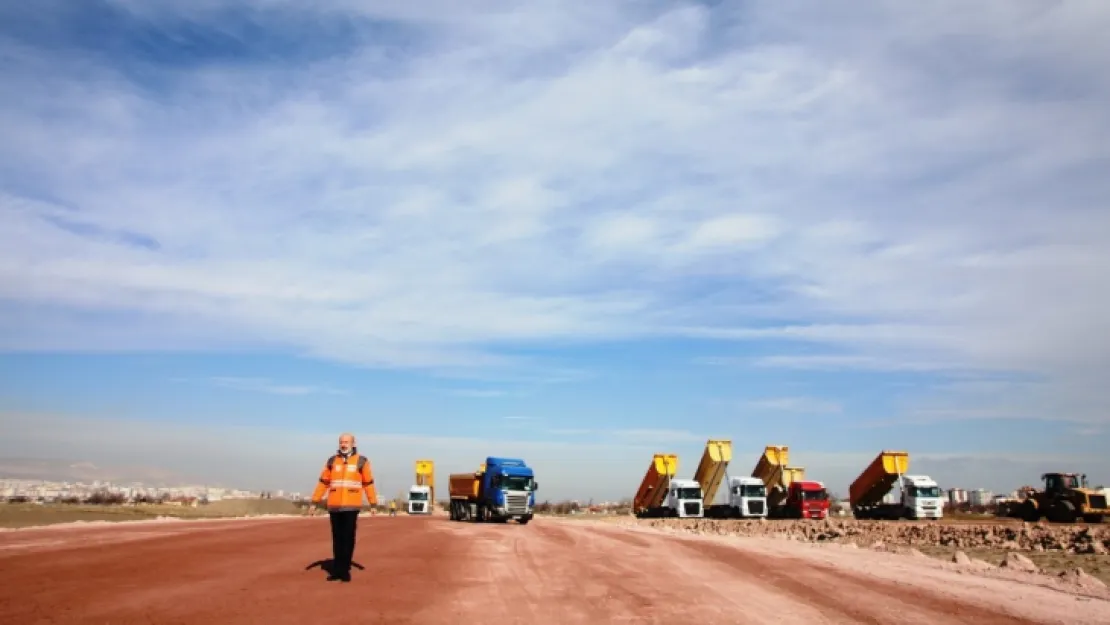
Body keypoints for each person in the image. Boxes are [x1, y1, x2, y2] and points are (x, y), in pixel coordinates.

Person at [309, 432, 377, 582]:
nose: (343, 444)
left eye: (346, 442)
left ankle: (345, 569)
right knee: (337, 538)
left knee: (348, 537)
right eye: (341, 442)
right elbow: (323, 482)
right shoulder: (332, 461)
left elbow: (368, 483)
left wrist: (373, 503)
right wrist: (314, 502)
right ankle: (337, 570)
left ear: (353, 443)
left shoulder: (361, 461)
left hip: (351, 506)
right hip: (334, 505)